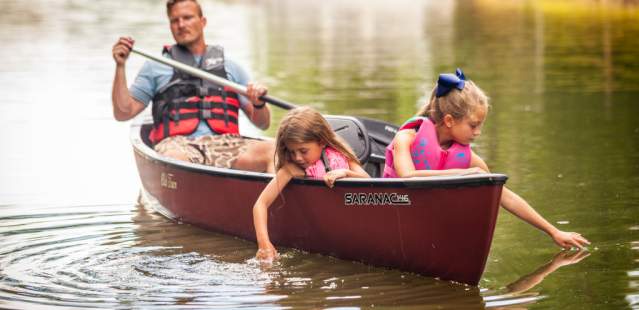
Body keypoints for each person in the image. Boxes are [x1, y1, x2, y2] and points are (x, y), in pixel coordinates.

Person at [383, 68, 590, 250]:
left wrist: (553, 231)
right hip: (393, 210)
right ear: (448, 120)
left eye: (481, 125)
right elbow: (408, 177)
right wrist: (462, 173)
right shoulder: (407, 138)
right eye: (473, 125)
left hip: (426, 222)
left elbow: (506, 197)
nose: (478, 132)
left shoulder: (469, 158)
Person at [111, 0, 274, 172]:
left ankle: (272, 198)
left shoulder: (231, 68)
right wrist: (120, 66)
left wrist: (259, 103)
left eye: (187, 18)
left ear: (203, 22)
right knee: (176, 159)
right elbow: (123, 112)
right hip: (177, 146)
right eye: (175, 20)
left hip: (227, 144)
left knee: (275, 151)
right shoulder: (154, 67)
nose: (181, 25)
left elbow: (263, 124)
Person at [253, 107, 370, 261]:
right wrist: (264, 244)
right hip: (322, 232)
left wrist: (346, 173)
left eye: (303, 151)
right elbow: (260, 204)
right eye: (292, 152)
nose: (298, 158)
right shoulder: (291, 169)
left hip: (348, 227)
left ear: (321, 142)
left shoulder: (340, 156)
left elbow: (368, 181)